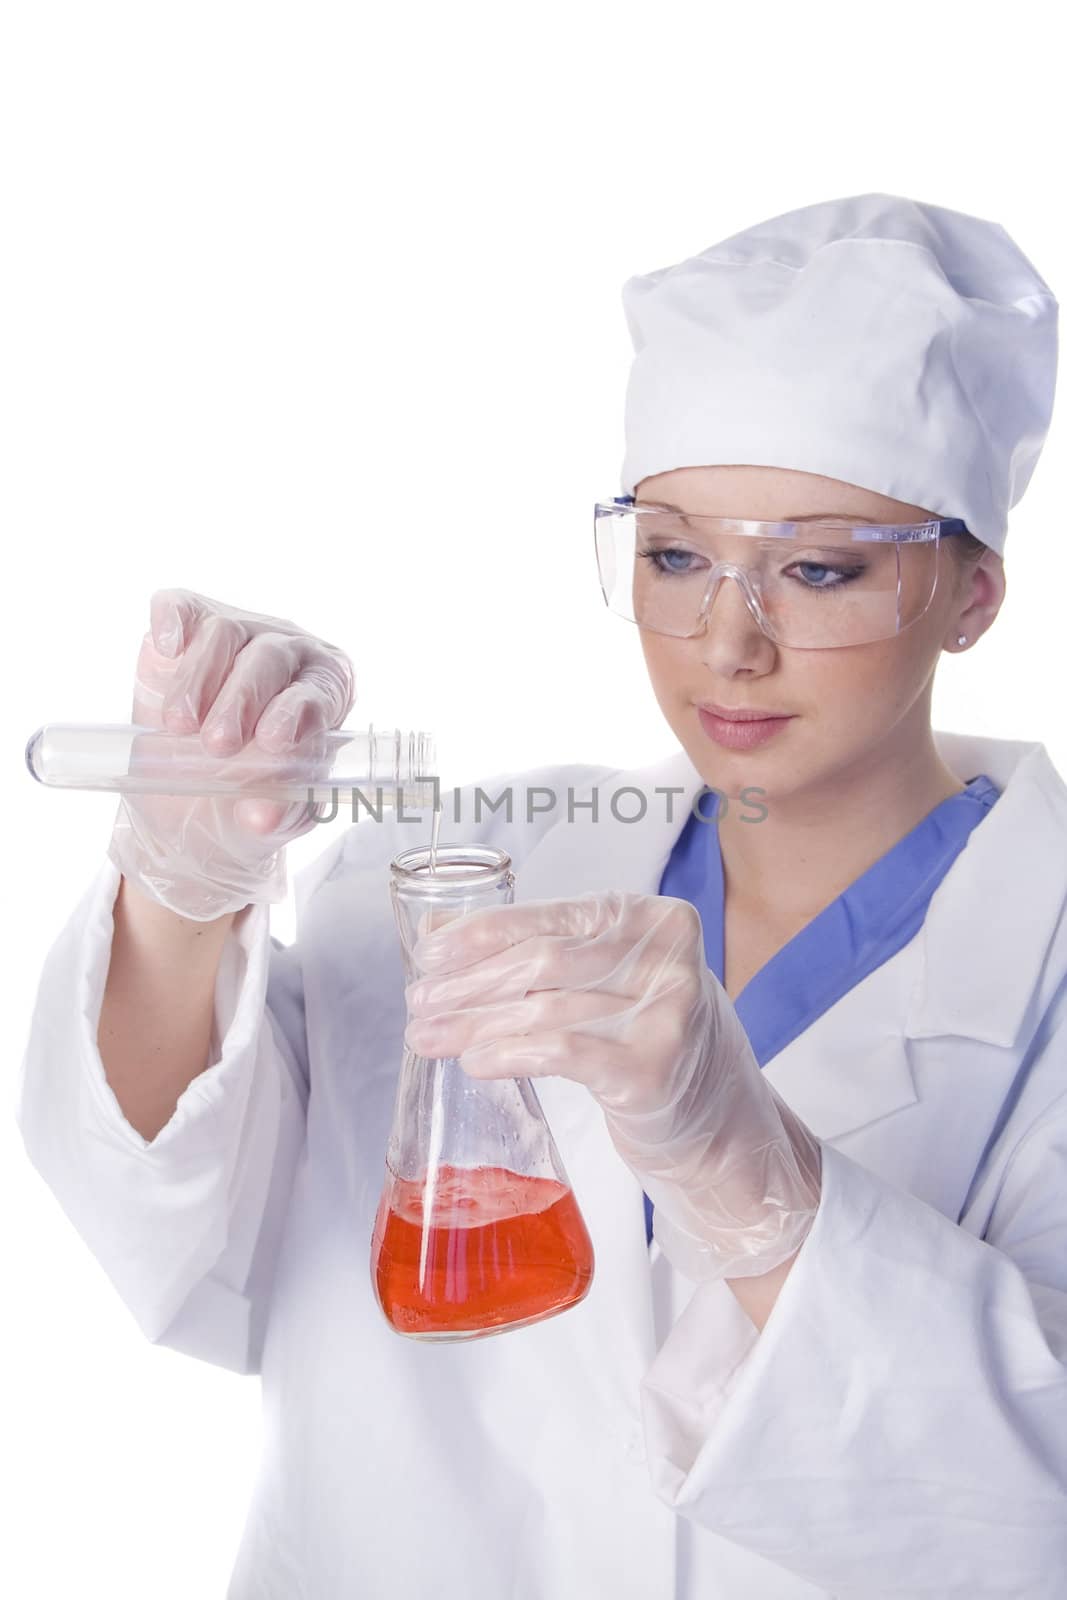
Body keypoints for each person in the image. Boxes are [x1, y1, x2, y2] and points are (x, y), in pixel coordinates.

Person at [17, 192, 1067, 1598]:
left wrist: (745, 1179)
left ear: (974, 593)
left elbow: (1034, 1509)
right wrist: (185, 884)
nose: (728, 645)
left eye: (817, 569)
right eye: (677, 556)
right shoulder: (442, 873)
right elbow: (185, 1233)